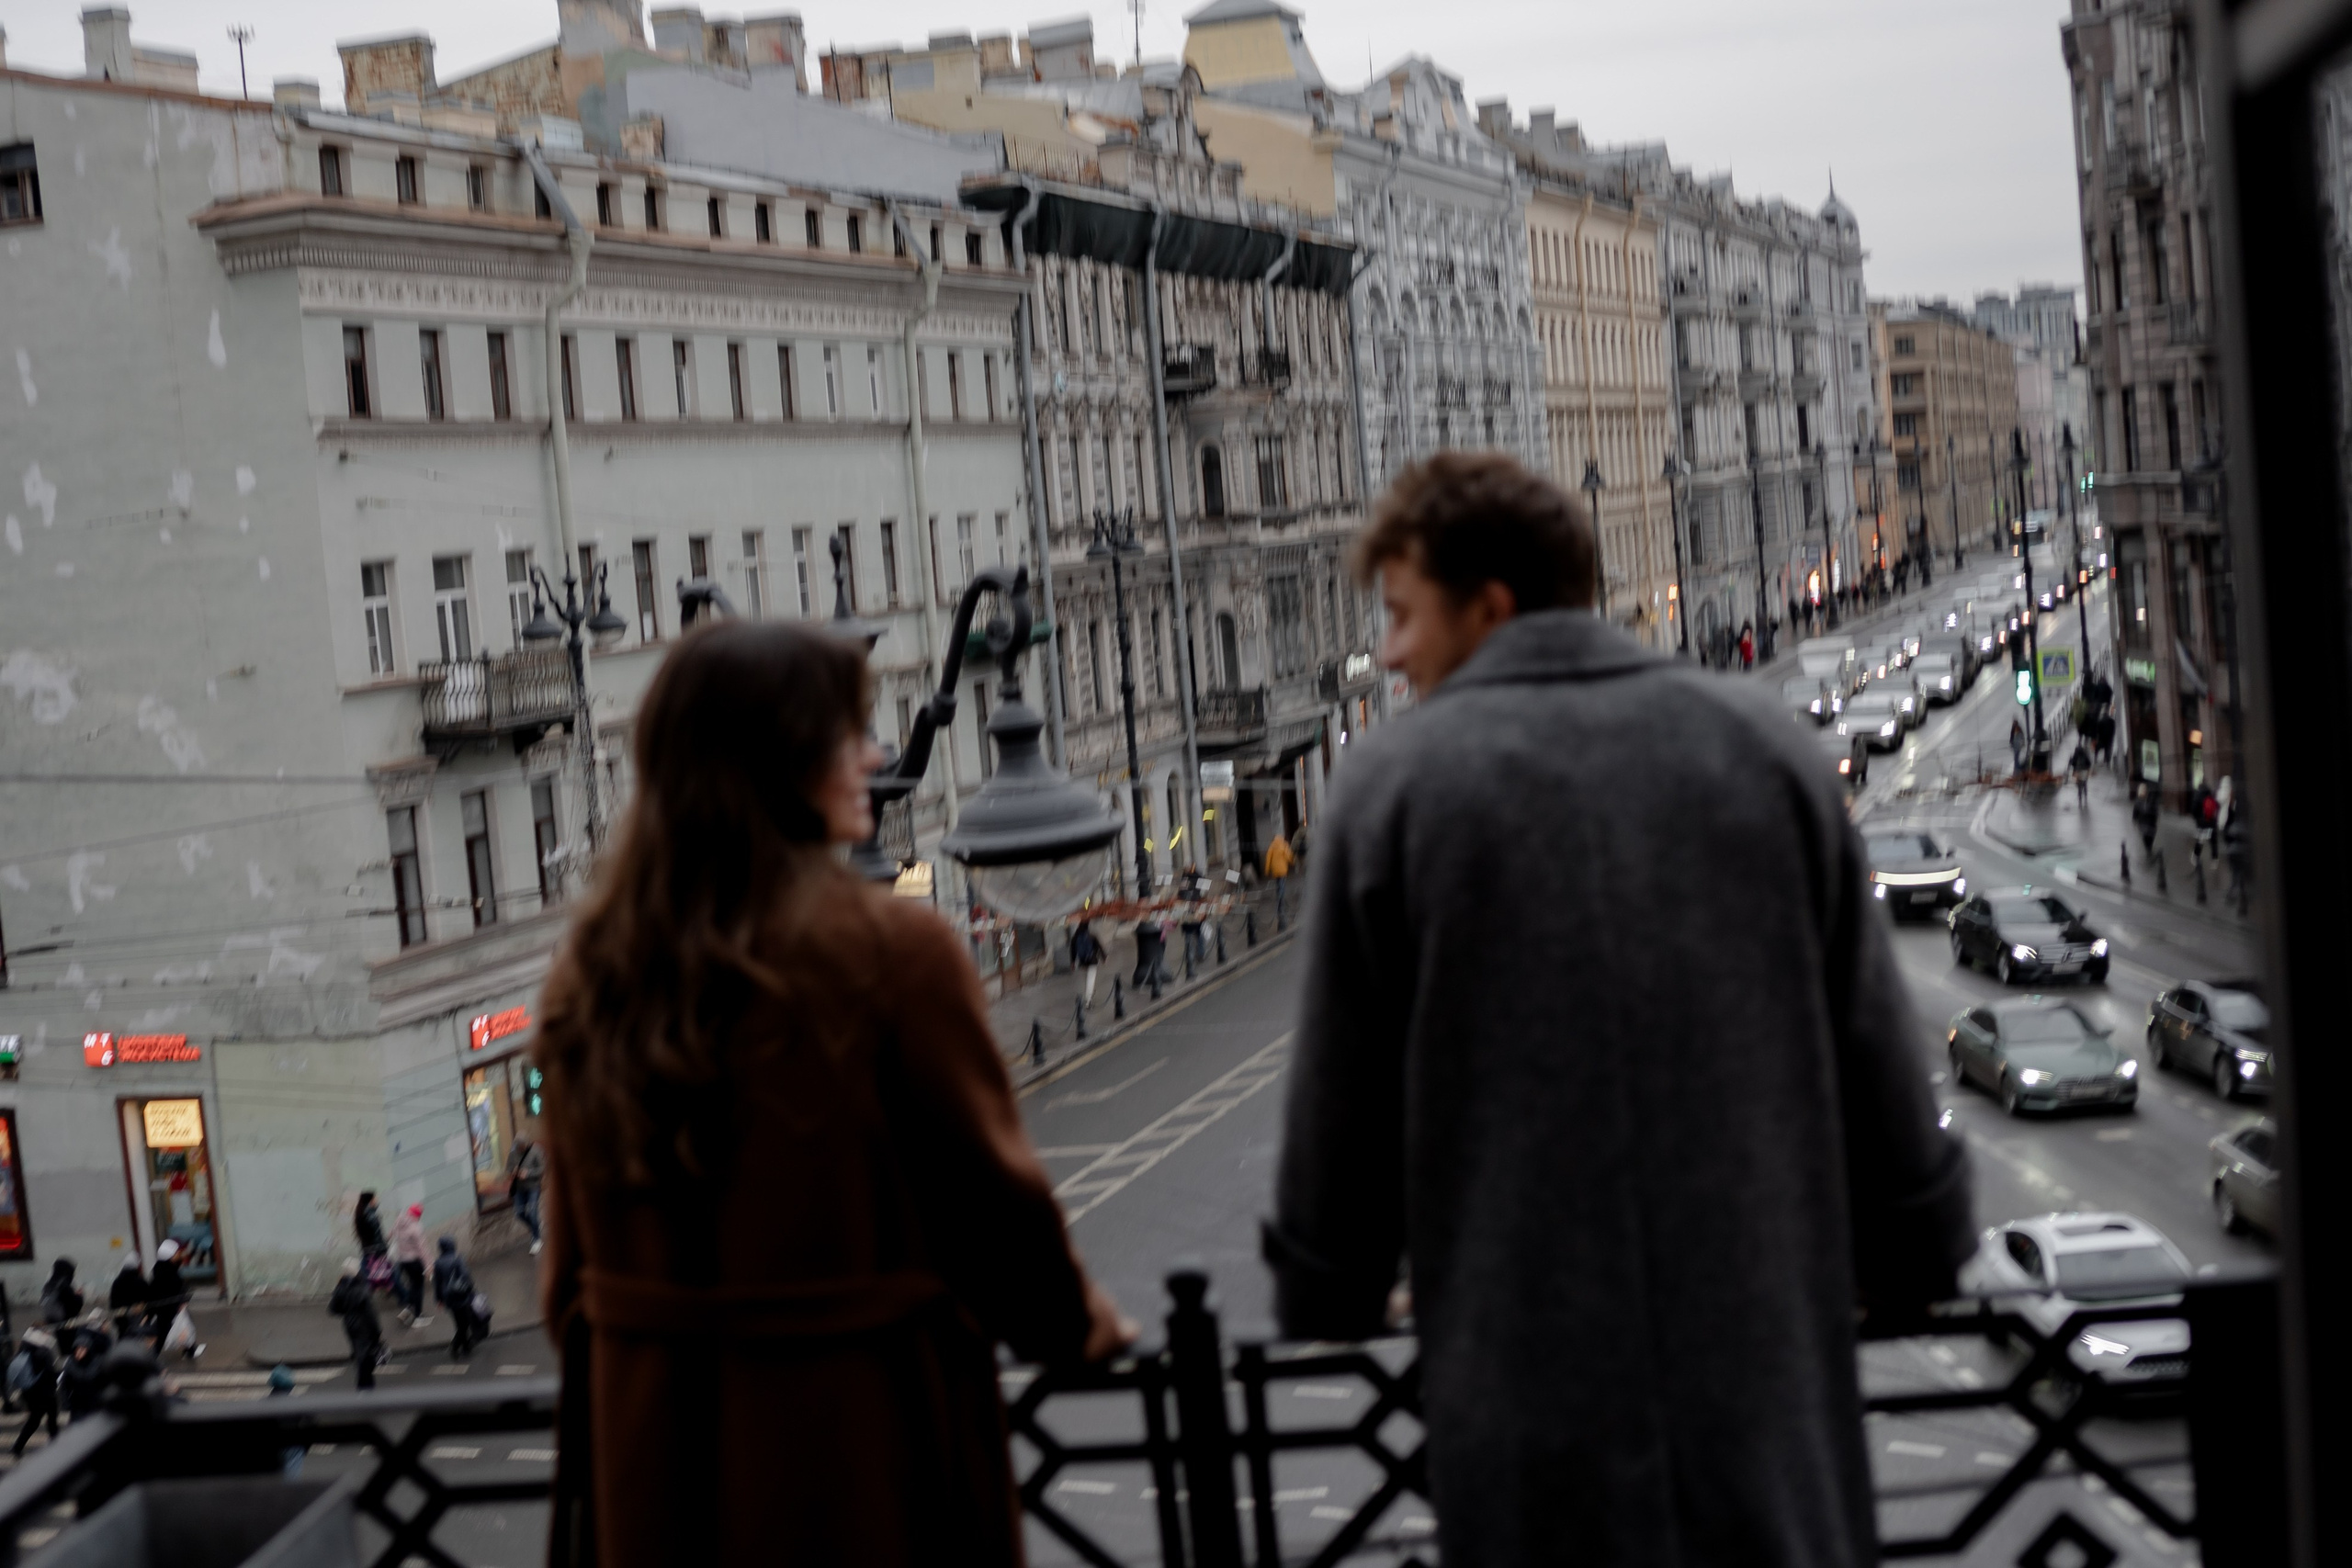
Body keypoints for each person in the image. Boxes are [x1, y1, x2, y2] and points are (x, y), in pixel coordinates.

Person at [1267, 452, 1972, 1568]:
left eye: (1402, 616)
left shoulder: (1391, 791)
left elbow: (1333, 1169)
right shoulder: (1769, 750)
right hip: (1764, 1409)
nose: (1388, 653)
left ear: (1489, 606)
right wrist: (1914, 1249)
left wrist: (1331, 1287)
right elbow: (1886, 1092)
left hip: (1534, 1439)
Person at [531, 618, 1131, 1564]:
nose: (878, 753)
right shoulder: (893, 955)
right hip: (855, 1446)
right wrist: (1076, 1324)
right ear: (778, 763)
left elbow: (564, 1289)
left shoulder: (592, 979)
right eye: (847, 734)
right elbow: (995, 1213)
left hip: (653, 1467)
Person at [328, 1258, 384, 1391]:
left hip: (350, 1325)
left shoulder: (340, 1287)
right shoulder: (363, 1288)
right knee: (365, 1358)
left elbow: (333, 1309)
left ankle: (365, 1386)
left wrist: (347, 1312)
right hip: (364, 1327)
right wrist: (377, 1334)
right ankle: (365, 1387)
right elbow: (371, 1315)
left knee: (360, 1354)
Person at [431, 1237, 484, 1359]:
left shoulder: (437, 1263)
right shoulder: (458, 1258)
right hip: (461, 1296)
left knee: (459, 1323)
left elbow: (437, 1283)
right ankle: (455, 1347)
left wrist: (439, 1299)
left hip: (449, 1298)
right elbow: (466, 1276)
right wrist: (471, 1290)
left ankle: (466, 1347)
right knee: (464, 1324)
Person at [8, 1329, 59, 1455]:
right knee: (51, 1416)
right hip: (45, 1392)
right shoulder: (43, 1352)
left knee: (34, 1420)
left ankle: (17, 1447)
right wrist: (55, 1385)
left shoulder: (23, 1348)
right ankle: (56, 1442)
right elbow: (50, 1372)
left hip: (29, 1392)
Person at [391, 1202, 432, 1326]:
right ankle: (418, 1317)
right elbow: (422, 1249)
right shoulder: (416, 1228)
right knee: (418, 1287)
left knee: (412, 1286)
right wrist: (429, 1265)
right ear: (418, 1215)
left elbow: (390, 1234)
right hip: (414, 1262)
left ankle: (408, 1308)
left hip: (402, 1261)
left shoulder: (398, 1221)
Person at [507, 1138, 547, 1255]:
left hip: (533, 1187)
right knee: (519, 1213)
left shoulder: (535, 1152)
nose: (519, 1148)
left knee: (533, 1212)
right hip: (519, 1188)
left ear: (525, 1144)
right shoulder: (513, 1154)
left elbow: (542, 1169)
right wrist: (513, 1171)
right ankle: (536, 1226)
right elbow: (508, 1168)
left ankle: (537, 1240)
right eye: (517, 1146)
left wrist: (528, 1173)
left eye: (521, 1146)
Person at [56, 1333, 107, 1422]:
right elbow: (64, 1385)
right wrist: (65, 1403)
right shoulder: (70, 1364)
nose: (79, 1352)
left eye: (82, 1349)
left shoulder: (98, 1363)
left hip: (95, 1403)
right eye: (77, 1349)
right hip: (77, 1404)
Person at [107, 1254, 149, 1337]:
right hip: (138, 1319)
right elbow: (148, 1297)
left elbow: (113, 1303)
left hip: (122, 1321)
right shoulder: (140, 1282)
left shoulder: (117, 1282)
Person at [1069, 919, 1106, 1008]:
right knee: (1090, 980)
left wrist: (1073, 962)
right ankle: (1088, 1001)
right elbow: (1099, 946)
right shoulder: (1091, 935)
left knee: (1087, 978)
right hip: (1092, 961)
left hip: (1083, 962)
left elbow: (1073, 951)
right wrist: (1103, 958)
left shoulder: (1075, 937)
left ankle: (1090, 993)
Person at [39, 1259, 81, 1326]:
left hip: (50, 1319)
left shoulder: (48, 1285)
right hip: (65, 1323)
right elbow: (75, 1305)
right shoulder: (64, 1286)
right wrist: (79, 1296)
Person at [1264, 831, 1295, 925]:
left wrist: (1267, 870)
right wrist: (1293, 862)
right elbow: (1288, 855)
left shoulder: (1272, 846)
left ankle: (1280, 900)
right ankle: (1281, 902)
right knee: (1282, 886)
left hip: (1275, 870)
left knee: (1278, 885)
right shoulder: (1284, 844)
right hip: (1282, 870)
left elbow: (1268, 859)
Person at [2132, 781, 2161, 863]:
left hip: (2151, 823)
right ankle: (2149, 850)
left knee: (2150, 838)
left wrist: (2156, 816)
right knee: (2146, 838)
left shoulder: (2150, 799)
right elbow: (2135, 812)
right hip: (2144, 824)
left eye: (2146, 789)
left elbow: (2155, 810)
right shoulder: (2138, 801)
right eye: (2144, 789)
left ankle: (2149, 849)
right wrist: (2134, 819)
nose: (2145, 791)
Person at [2070, 740, 2092, 808]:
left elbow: (2072, 763)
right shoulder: (2085, 755)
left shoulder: (2075, 756)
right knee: (2085, 783)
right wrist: (2088, 770)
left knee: (2079, 785)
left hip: (2078, 772)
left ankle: (2080, 797)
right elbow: (2089, 763)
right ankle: (2085, 795)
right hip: (2084, 771)